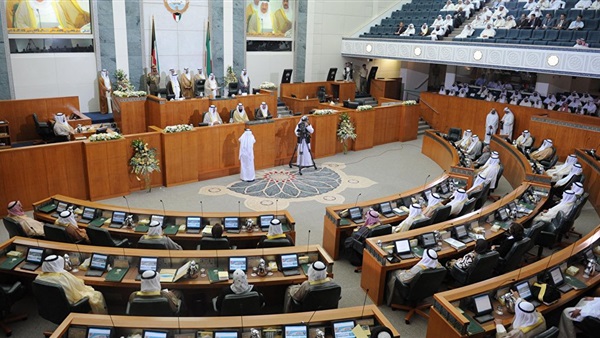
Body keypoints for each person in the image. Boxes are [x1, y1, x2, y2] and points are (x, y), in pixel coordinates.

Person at [36, 255, 107, 313]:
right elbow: (79, 286)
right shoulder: (62, 277)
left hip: (50, 308)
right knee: (97, 295)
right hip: (70, 305)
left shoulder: (38, 277)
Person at [13, 0, 90, 31]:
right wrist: (37, 31)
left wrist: (57, 28)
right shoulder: (25, 4)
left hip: (56, 41)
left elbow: (64, 24)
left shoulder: (54, 4)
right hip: (35, 43)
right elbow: (19, 25)